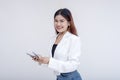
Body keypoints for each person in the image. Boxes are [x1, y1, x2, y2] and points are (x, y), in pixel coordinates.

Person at [32, 8, 82, 80]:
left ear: (68, 23)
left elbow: (73, 65)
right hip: (59, 77)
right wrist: (42, 60)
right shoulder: (54, 38)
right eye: (56, 21)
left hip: (71, 77)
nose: (58, 24)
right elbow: (54, 61)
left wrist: (49, 61)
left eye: (62, 21)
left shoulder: (74, 39)